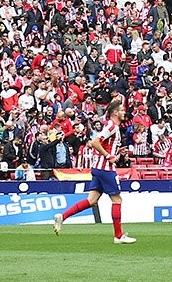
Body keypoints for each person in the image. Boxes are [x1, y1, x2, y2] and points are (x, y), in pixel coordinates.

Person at [53, 97, 135, 244]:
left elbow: (100, 143)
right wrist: (108, 155)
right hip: (106, 169)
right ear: (115, 112)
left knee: (91, 200)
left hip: (98, 168)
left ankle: (62, 216)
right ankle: (118, 236)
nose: (124, 112)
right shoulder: (112, 126)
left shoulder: (112, 126)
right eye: (122, 110)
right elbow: (95, 141)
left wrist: (115, 151)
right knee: (117, 200)